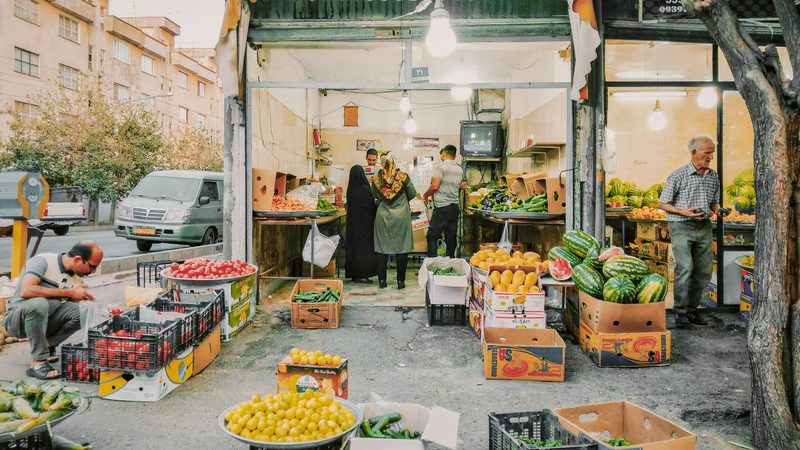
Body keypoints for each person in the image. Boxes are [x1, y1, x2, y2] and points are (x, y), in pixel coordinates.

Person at [3, 241, 103, 379]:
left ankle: (47, 346)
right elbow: (26, 290)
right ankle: (38, 362)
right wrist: (69, 293)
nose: (93, 271)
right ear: (78, 259)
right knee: (39, 304)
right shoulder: (43, 261)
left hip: (45, 319)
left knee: (84, 310)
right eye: (92, 266)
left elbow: (59, 299)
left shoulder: (75, 278)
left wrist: (76, 298)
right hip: (17, 320)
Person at [657, 135, 728, 329]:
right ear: (694, 152)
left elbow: (713, 201)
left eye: (712, 153)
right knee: (685, 268)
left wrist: (718, 210)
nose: (710, 157)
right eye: (707, 153)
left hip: (704, 226)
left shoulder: (713, 176)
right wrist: (683, 212)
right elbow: (662, 203)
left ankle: (691, 309)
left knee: (704, 271)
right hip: (681, 226)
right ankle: (680, 313)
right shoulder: (678, 175)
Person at [372, 153, 419, 289]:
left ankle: (382, 281)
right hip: (401, 215)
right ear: (394, 162)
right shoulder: (402, 177)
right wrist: (401, 201)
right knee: (402, 248)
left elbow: (375, 195)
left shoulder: (376, 179)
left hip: (382, 216)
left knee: (381, 248)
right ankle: (400, 281)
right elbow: (412, 193)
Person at [423, 144, 467, 257]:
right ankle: (450, 263)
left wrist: (425, 195)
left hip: (442, 207)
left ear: (444, 153)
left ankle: (432, 265)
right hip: (454, 208)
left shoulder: (441, 167)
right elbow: (463, 185)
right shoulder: (459, 168)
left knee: (432, 236)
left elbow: (435, 186)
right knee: (451, 237)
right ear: (455, 155)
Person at [345, 165, 378, 283]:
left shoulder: (351, 189)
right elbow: (371, 206)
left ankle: (354, 274)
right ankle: (363, 275)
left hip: (353, 225)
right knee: (364, 249)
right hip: (365, 225)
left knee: (354, 249)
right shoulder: (365, 189)